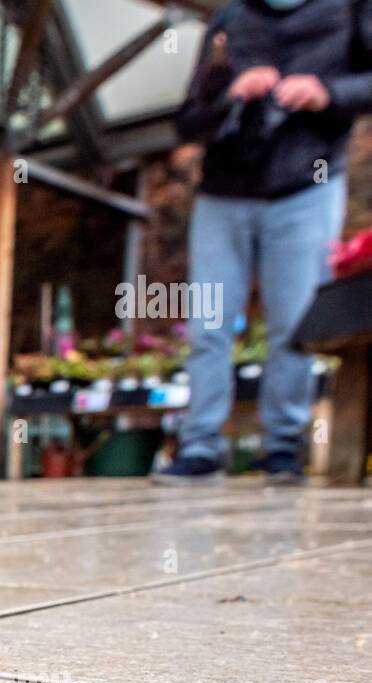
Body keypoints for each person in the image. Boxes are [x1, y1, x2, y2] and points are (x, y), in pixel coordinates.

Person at [154, 0, 372, 486]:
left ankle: (282, 449)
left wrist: (327, 91)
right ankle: (201, 446)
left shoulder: (350, 10)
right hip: (223, 192)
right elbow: (188, 119)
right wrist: (232, 93)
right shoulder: (229, 18)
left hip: (307, 185)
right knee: (208, 323)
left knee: (293, 322)